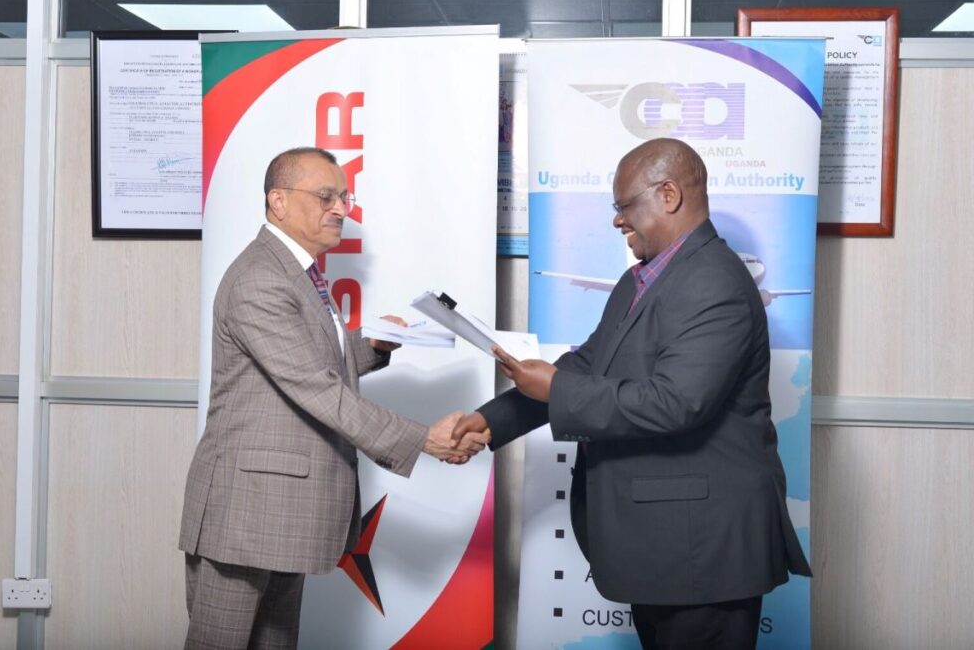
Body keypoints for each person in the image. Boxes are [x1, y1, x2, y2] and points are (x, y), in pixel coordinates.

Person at [453, 138, 811, 649]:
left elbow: (675, 403)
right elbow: (585, 365)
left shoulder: (715, 281)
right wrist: (493, 422)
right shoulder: (640, 278)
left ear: (668, 195)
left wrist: (557, 387)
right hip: (663, 546)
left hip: (702, 551)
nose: (618, 221)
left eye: (624, 207)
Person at [179, 147, 484, 649]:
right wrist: (422, 439)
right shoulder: (260, 278)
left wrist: (373, 345)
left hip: (282, 512)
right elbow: (315, 387)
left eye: (345, 197)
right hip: (246, 514)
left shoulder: (297, 272)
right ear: (278, 201)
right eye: (326, 196)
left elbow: (309, 363)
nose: (342, 209)